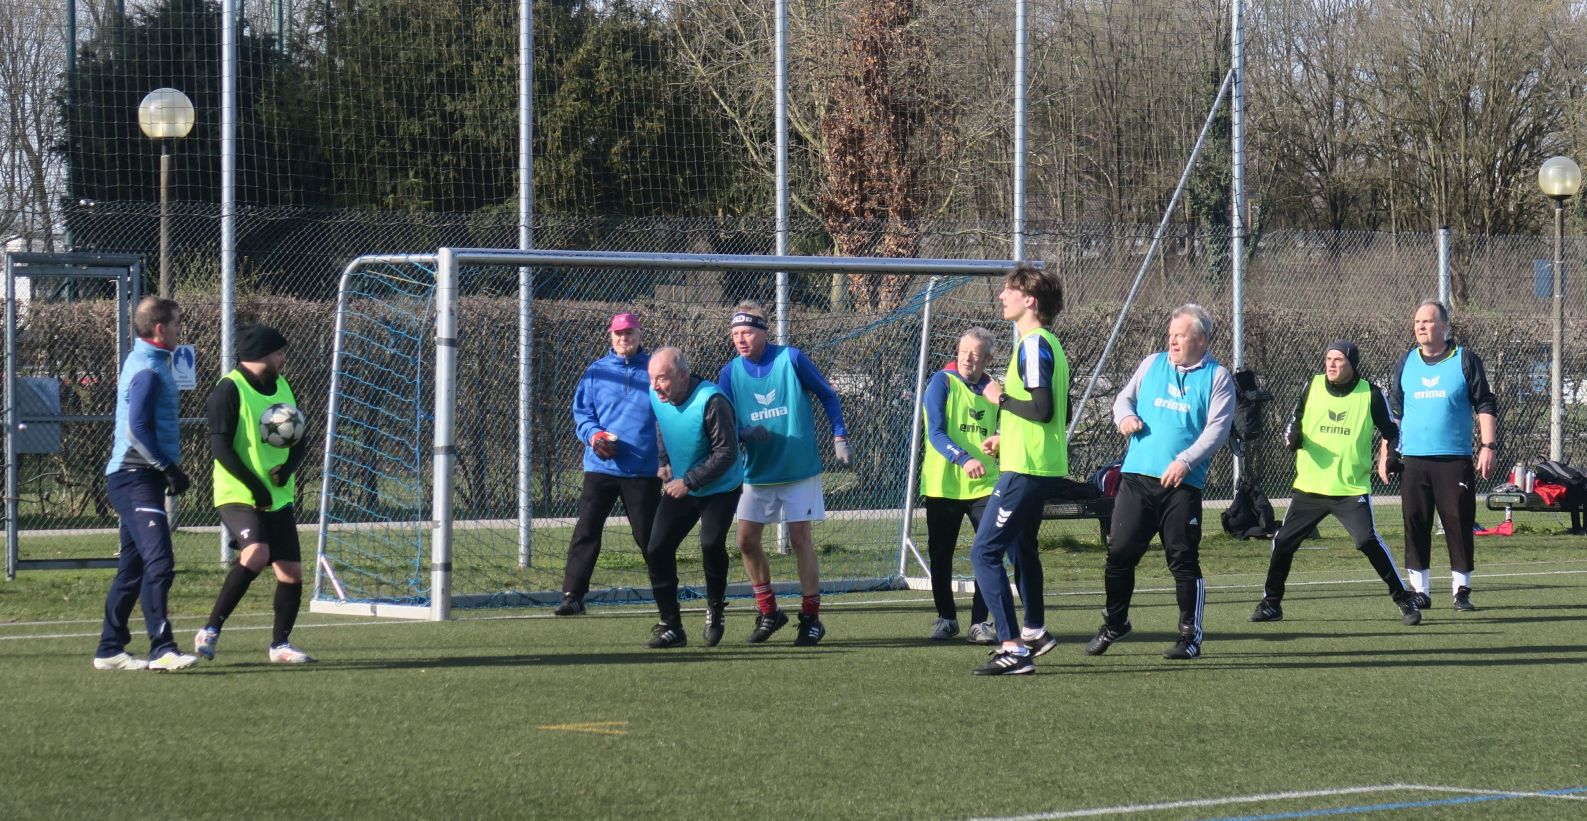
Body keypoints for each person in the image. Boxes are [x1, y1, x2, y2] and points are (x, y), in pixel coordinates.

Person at [1085, 304, 1234, 661]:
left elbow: (1217, 430)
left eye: (1180, 335)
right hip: (1136, 478)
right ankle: (1116, 622)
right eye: (1170, 335)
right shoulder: (1152, 363)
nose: (1172, 341)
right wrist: (1124, 417)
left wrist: (1185, 461)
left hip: (1182, 486)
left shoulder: (1217, 377)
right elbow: (1123, 399)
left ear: (1201, 339)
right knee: (1119, 553)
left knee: (1182, 560)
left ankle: (1189, 637)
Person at [1249, 340, 1421, 626]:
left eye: (1338, 359)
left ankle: (1404, 598)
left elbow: (1392, 432)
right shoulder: (1312, 386)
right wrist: (1292, 437)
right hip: (1310, 486)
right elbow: (1294, 421)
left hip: (1350, 488)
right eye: (1328, 358)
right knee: (1283, 541)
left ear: (1352, 364)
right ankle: (1271, 604)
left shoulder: (1370, 394)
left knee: (1367, 540)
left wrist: (1391, 456)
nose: (1331, 364)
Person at [717, 301, 850, 646]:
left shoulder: (791, 359)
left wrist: (839, 436)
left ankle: (811, 618)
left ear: (764, 332)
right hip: (757, 471)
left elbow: (828, 395)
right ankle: (769, 611)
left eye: (747, 332)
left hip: (798, 469)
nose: (740, 339)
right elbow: (722, 420)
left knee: (800, 539)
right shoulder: (730, 373)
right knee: (745, 541)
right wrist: (743, 432)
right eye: (735, 333)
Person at [192, 324, 316, 663]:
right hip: (238, 492)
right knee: (257, 553)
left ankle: (280, 646)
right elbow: (221, 449)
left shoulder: (283, 385)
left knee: (291, 572)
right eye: (279, 353)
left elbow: (300, 436)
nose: (284, 359)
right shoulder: (228, 390)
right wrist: (255, 487)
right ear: (261, 355)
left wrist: (288, 468)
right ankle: (210, 630)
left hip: (276, 495)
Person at [968, 265, 1069, 676]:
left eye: (1009, 290)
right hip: (1036, 462)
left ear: (1030, 300)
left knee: (984, 551)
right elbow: (1052, 414)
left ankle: (1012, 648)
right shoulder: (1049, 343)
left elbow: (1042, 410)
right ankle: (1034, 632)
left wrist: (1000, 398)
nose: (1001, 295)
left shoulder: (1032, 344)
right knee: (1021, 546)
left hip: (1026, 468)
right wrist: (1005, 436)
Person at [93, 296, 199, 672]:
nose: (179, 331)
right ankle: (162, 649)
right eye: (176, 324)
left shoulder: (148, 361)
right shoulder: (148, 369)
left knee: (133, 568)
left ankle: (109, 649)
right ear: (159, 328)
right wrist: (169, 468)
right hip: (133, 476)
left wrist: (164, 470)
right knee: (160, 562)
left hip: (140, 476)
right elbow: (135, 429)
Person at [921, 327, 1041, 645]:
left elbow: (1014, 427)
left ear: (988, 358)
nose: (967, 359)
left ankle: (979, 622)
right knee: (941, 554)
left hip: (985, 485)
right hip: (943, 484)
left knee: (989, 551)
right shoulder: (941, 382)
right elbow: (935, 432)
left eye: (975, 354)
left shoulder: (994, 390)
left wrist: (1002, 440)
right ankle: (947, 618)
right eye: (963, 352)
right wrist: (963, 458)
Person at [1378, 299, 1498, 611]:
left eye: (1428, 321)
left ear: (1443, 327)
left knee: (1458, 523)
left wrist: (1488, 446)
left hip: (1453, 459)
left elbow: (1484, 403)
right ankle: (1420, 591)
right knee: (1415, 523)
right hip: (1414, 460)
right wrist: (1386, 452)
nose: (1421, 326)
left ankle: (1461, 590)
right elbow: (1395, 413)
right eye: (1417, 321)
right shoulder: (1406, 361)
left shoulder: (1464, 360)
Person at [555, 312, 661, 616]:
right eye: (618, 334)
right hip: (600, 467)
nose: (624, 338)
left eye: (629, 333)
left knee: (649, 536)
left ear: (639, 335)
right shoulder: (596, 372)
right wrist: (595, 436)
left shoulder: (654, 369)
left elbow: (669, 410)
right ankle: (573, 596)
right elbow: (582, 414)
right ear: (611, 337)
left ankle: (665, 593)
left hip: (643, 468)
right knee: (587, 530)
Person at [640, 347, 743, 649]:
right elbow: (662, 424)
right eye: (651, 378)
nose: (656, 386)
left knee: (710, 544)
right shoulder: (657, 395)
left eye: (663, 378)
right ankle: (671, 626)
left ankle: (715, 608)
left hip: (721, 486)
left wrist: (688, 481)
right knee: (657, 548)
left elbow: (726, 453)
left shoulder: (712, 401)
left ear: (683, 376)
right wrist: (664, 461)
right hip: (683, 483)